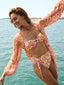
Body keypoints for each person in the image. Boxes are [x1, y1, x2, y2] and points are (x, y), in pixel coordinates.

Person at [0, 0, 64, 85]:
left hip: (49, 58)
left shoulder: (38, 25)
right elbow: (14, 57)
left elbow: (53, 14)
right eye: (12, 21)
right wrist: (5, 73)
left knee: (55, 82)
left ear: (22, 16)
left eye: (15, 18)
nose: (14, 22)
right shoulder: (18, 38)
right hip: (39, 64)